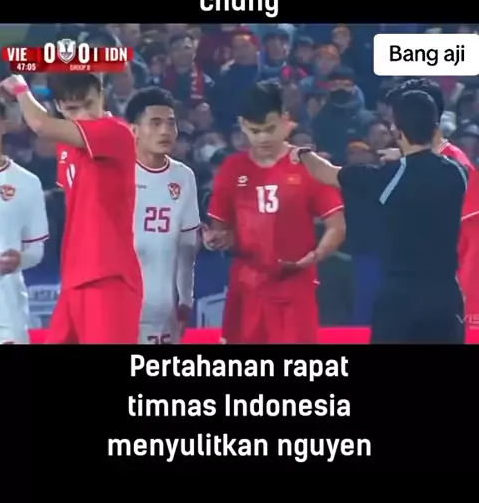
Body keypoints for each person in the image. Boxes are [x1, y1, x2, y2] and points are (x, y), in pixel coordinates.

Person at [294, 90, 467, 344]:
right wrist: (404, 155)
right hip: (446, 299)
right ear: (435, 127)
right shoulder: (458, 173)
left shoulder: (387, 177)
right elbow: (432, 161)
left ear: (397, 130)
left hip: (400, 301)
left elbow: (327, 173)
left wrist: (302, 153)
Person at [0, 73, 143, 344]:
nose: (84, 115)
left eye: (89, 104)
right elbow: (42, 122)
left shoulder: (115, 132)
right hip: (74, 278)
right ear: (60, 108)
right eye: (72, 109)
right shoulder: (67, 143)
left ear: (102, 95)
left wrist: (19, 87)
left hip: (109, 276)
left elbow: (41, 124)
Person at [205, 81, 346, 344]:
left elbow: (336, 225)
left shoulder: (306, 164)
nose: (263, 138)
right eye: (255, 131)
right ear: (243, 125)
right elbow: (220, 229)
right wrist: (215, 240)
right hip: (247, 291)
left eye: (270, 129)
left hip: (295, 290)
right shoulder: (232, 169)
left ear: (285, 120)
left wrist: (316, 255)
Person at [383, 79, 479, 331]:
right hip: (416, 291)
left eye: (398, 120)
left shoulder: (457, 167)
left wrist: (467, 301)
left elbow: (473, 241)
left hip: (448, 297)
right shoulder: (410, 164)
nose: (393, 128)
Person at [125, 88, 200, 344]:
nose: (165, 131)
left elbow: (187, 247)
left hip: (166, 310)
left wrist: (186, 298)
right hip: (124, 304)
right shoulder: (117, 174)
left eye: (171, 123)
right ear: (134, 130)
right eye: (155, 123)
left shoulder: (184, 176)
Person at [0, 98, 48, 343]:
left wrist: (20, 259)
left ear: (3, 123)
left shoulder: (27, 182)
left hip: (8, 311)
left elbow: (36, 251)